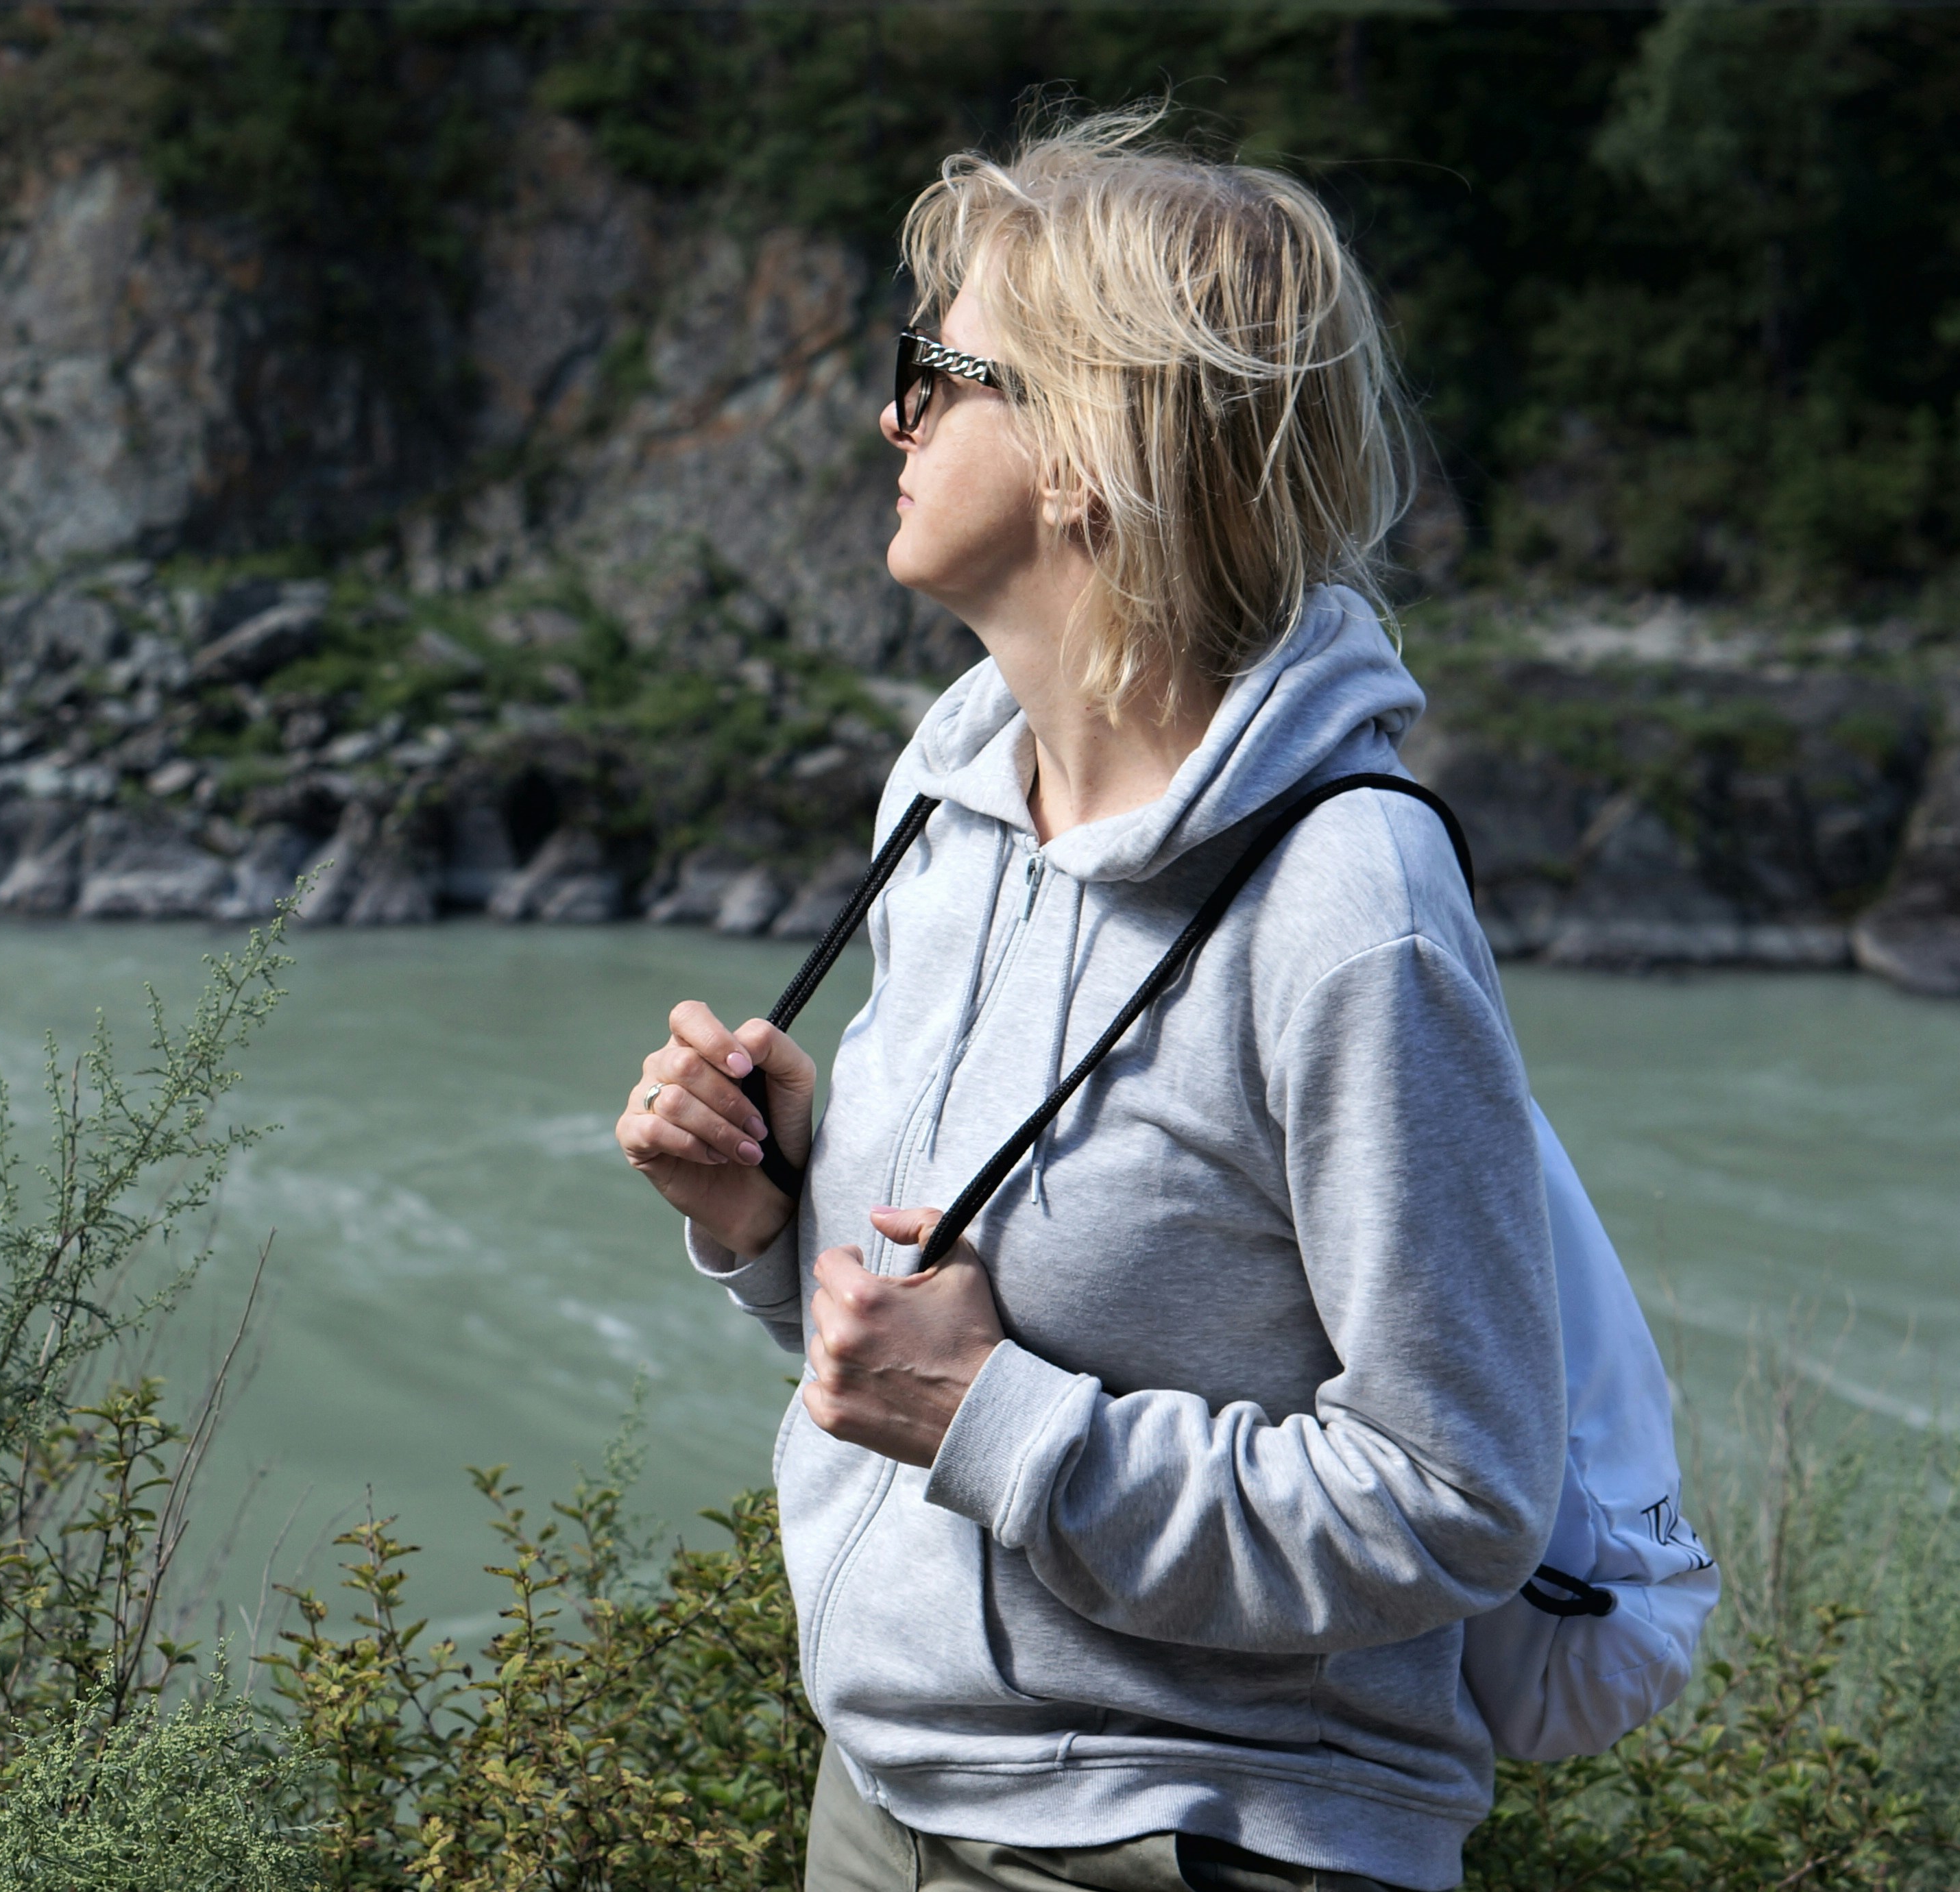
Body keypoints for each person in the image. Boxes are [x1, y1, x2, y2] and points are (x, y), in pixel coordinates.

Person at [615, 112, 1564, 1892]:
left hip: (1191, 1848)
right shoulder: (952, 789)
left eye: (939, 374)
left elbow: (1462, 1497)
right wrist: (770, 1220)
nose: (890, 418)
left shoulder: (1351, 909)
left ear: (1089, 449)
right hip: (883, 1799)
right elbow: (935, 1333)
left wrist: (998, 1423)